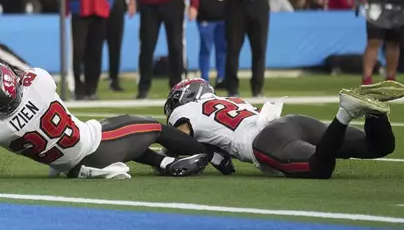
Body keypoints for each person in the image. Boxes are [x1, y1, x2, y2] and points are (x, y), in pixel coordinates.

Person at [0, 63, 210, 179]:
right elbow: (21, 73)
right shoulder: (40, 83)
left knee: (122, 136)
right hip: (94, 146)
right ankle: (210, 154)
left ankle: (165, 162)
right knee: (152, 126)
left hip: (67, 164)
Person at [163, 78, 398, 179]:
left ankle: (345, 112)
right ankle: (375, 113)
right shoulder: (232, 100)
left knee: (320, 167)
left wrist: (164, 157)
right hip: (291, 122)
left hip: (266, 140)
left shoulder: (184, 112)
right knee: (377, 145)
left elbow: (179, 140)